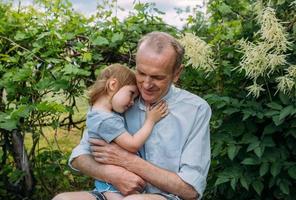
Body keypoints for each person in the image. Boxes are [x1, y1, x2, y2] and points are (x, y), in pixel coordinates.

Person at [52, 31, 211, 200]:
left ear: (177, 74)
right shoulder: (120, 99)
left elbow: (191, 190)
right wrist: (113, 175)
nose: (146, 84)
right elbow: (79, 157)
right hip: (113, 192)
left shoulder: (196, 110)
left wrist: (127, 160)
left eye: (157, 77)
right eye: (141, 73)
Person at [85, 64, 168, 200]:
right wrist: (151, 120)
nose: (131, 102)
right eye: (131, 94)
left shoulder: (98, 113)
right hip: (114, 188)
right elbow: (133, 144)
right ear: (113, 85)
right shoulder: (105, 120)